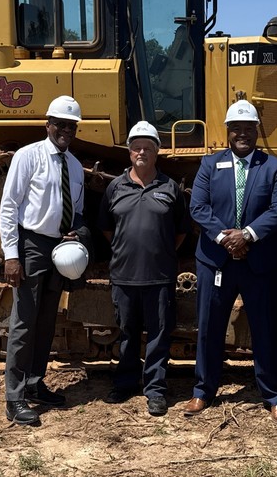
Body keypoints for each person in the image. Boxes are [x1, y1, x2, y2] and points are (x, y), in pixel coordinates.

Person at [183, 100, 277, 424]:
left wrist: (246, 235)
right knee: (209, 327)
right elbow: (199, 207)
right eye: (236, 128)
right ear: (228, 131)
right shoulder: (209, 164)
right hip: (216, 261)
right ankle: (203, 391)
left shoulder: (273, 167)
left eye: (248, 128)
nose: (242, 134)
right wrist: (226, 239)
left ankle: (274, 396)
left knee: (266, 328)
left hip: (259, 261)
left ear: (257, 131)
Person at [0, 95, 87, 426]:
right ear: (47, 125)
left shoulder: (75, 166)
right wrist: (12, 254)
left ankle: (35, 383)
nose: (65, 130)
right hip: (32, 244)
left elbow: (77, 210)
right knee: (24, 321)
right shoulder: (28, 156)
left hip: (60, 248)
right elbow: (9, 206)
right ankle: (14, 397)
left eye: (71, 126)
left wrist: (77, 233)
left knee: (47, 319)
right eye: (60, 124)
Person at [98, 121, 189, 416]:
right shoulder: (115, 187)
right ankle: (125, 384)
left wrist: (159, 252)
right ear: (129, 152)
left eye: (147, 147)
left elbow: (181, 231)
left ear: (156, 153)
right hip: (124, 274)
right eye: (136, 146)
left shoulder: (169, 188)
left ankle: (155, 390)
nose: (141, 152)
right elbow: (106, 228)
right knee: (127, 331)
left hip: (159, 275)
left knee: (159, 334)